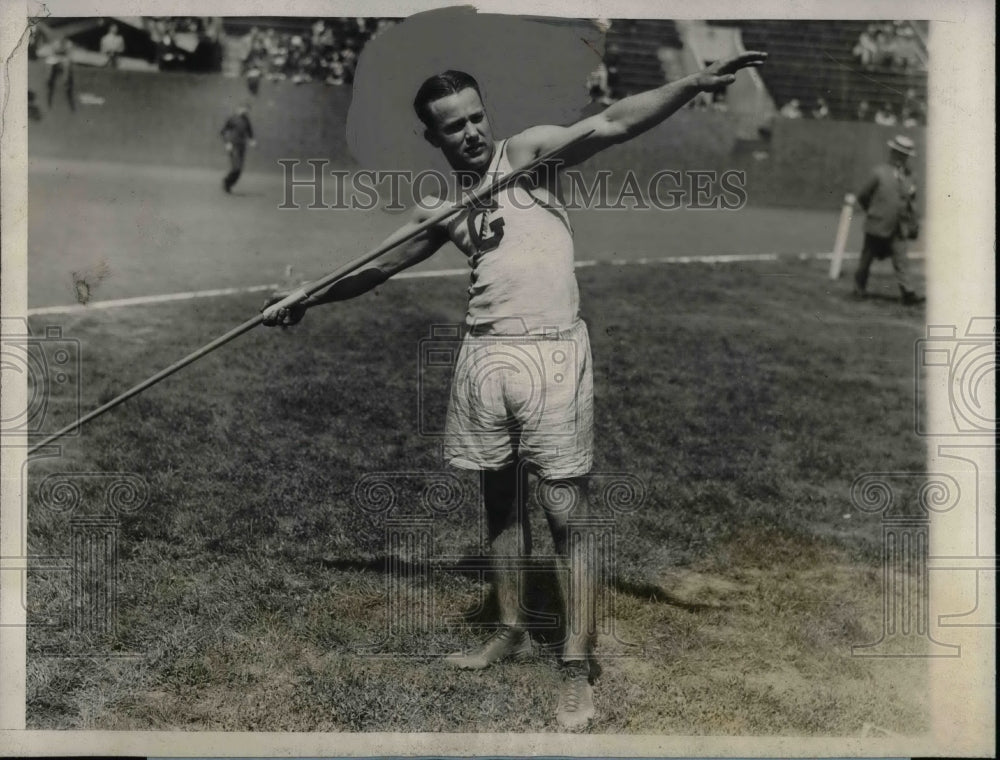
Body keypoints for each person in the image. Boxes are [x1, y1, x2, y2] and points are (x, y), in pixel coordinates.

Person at [261, 52, 767, 728]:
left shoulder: (527, 156)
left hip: (552, 352)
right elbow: (376, 266)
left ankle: (576, 668)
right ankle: (509, 629)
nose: (469, 132)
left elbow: (611, 123)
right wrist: (307, 297)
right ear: (433, 137)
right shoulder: (439, 208)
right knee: (498, 501)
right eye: (453, 126)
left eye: (475, 117)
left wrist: (689, 85)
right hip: (484, 355)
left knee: (565, 513)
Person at [853, 135, 924, 305]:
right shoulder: (879, 173)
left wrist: (913, 223)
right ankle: (859, 288)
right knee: (866, 259)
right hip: (877, 224)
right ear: (892, 152)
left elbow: (910, 202)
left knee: (901, 260)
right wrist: (872, 210)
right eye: (899, 153)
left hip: (899, 228)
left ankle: (908, 294)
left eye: (905, 155)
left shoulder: (910, 177)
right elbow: (863, 196)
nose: (902, 158)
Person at [220, 103, 255, 193]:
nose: (246, 111)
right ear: (238, 108)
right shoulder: (232, 119)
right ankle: (226, 182)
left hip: (241, 147)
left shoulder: (246, 120)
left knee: (239, 170)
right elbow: (223, 131)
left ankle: (228, 184)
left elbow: (250, 131)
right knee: (236, 167)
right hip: (233, 146)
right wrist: (227, 143)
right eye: (244, 108)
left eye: (247, 109)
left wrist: (252, 140)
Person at [45, 38, 75, 112]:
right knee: (49, 62)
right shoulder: (55, 43)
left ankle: (66, 80)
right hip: (56, 57)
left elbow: (69, 54)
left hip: (64, 58)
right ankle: (49, 80)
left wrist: (63, 56)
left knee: (66, 65)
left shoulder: (69, 43)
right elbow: (52, 52)